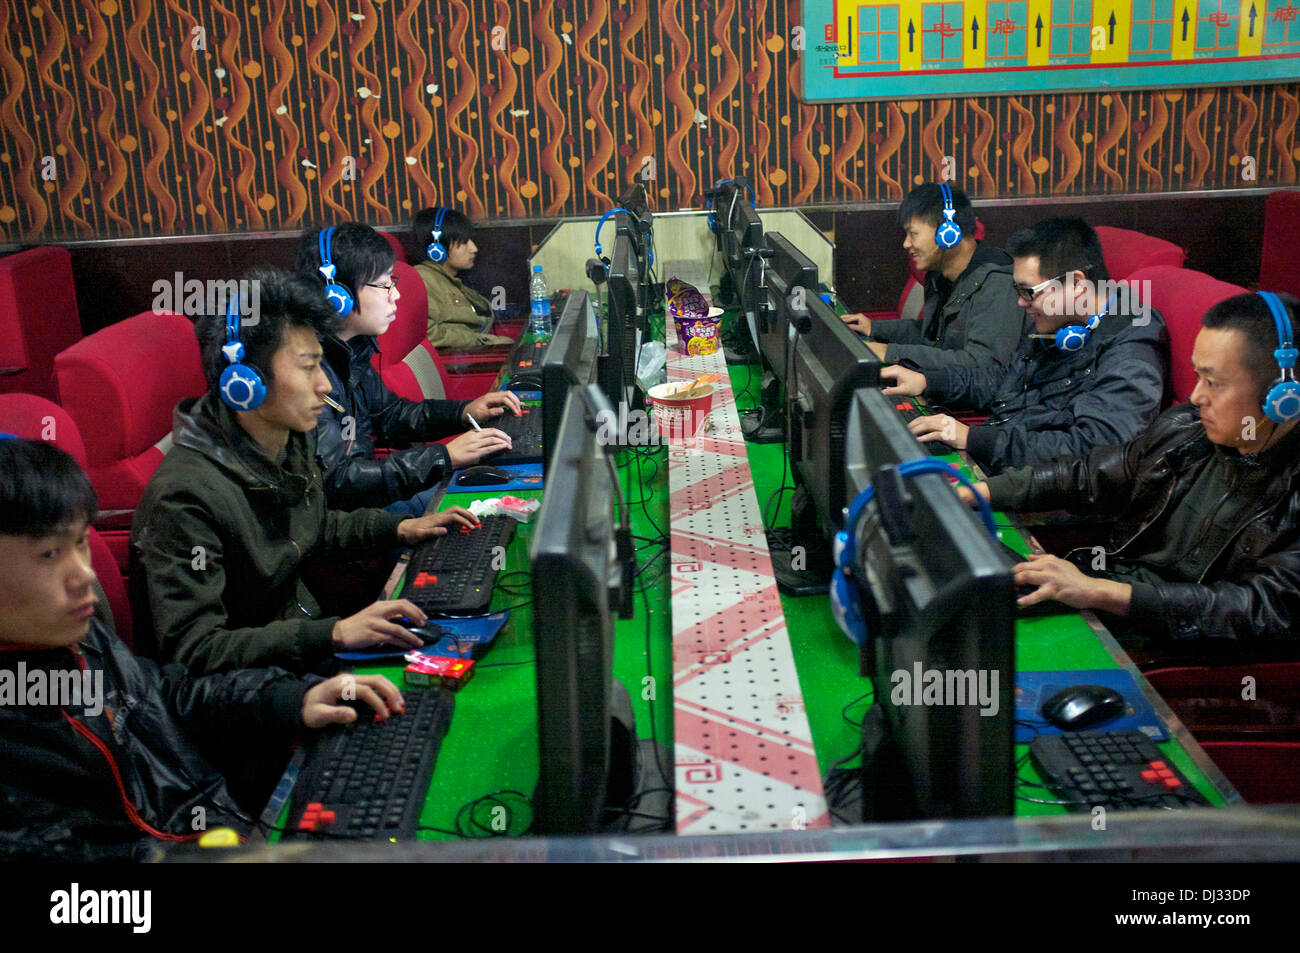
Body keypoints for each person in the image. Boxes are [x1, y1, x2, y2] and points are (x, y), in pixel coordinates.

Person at [0, 437, 407, 860]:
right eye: (49, 554)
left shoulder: (70, 638)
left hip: (220, 829)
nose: (84, 575)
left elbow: (163, 699)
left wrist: (289, 700)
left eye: (81, 542)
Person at [131, 266, 480, 675]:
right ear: (243, 380)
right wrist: (332, 635)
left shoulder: (284, 436)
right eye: (307, 367)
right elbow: (195, 649)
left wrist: (399, 529)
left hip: (300, 643)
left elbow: (312, 530)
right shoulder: (184, 498)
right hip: (254, 689)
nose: (325, 386)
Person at [963, 291, 1300, 651]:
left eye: (1213, 382)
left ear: (1281, 394)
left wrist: (1102, 592)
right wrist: (975, 494)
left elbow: (1260, 610)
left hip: (1172, 647)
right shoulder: (1188, 428)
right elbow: (1091, 474)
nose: (1197, 396)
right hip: (1109, 597)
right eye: (1197, 376)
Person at [879, 218, 1169, 474]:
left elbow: (1092, 451)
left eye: (1028, 292)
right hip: (1004, 454)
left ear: (1078, 284)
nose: (1020, 302)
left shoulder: (1131, 350)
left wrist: (972, 438)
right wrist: (929, 381)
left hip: (1043, 491)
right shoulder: (1061, 319)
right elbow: (1007, 379)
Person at [295, 222, 519, 515]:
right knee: (487, 505)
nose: (395, 295)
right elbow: (338, 483)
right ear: (337, 296)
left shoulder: (350, 348)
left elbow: (389, 414)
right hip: (349, 519)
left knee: (503, 490)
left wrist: (463, 413)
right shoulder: (304, 371)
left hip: (370, 498)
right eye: (383, 284)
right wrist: (445, 457)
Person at [841, 182, 1026, 372]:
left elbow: (980, 365)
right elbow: (933, 338)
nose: (906, 244)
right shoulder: (941, 276)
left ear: (948, 233)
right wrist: (874, 328)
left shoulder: (998, 285)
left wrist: (890, 352)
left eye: (913, 234)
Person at [412, 206, 514, 349]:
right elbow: (429, 334)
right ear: (437, 248)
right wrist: (486, 341)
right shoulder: (423, 280)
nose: (474, 249)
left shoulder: (448, 279)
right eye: (464, 242)